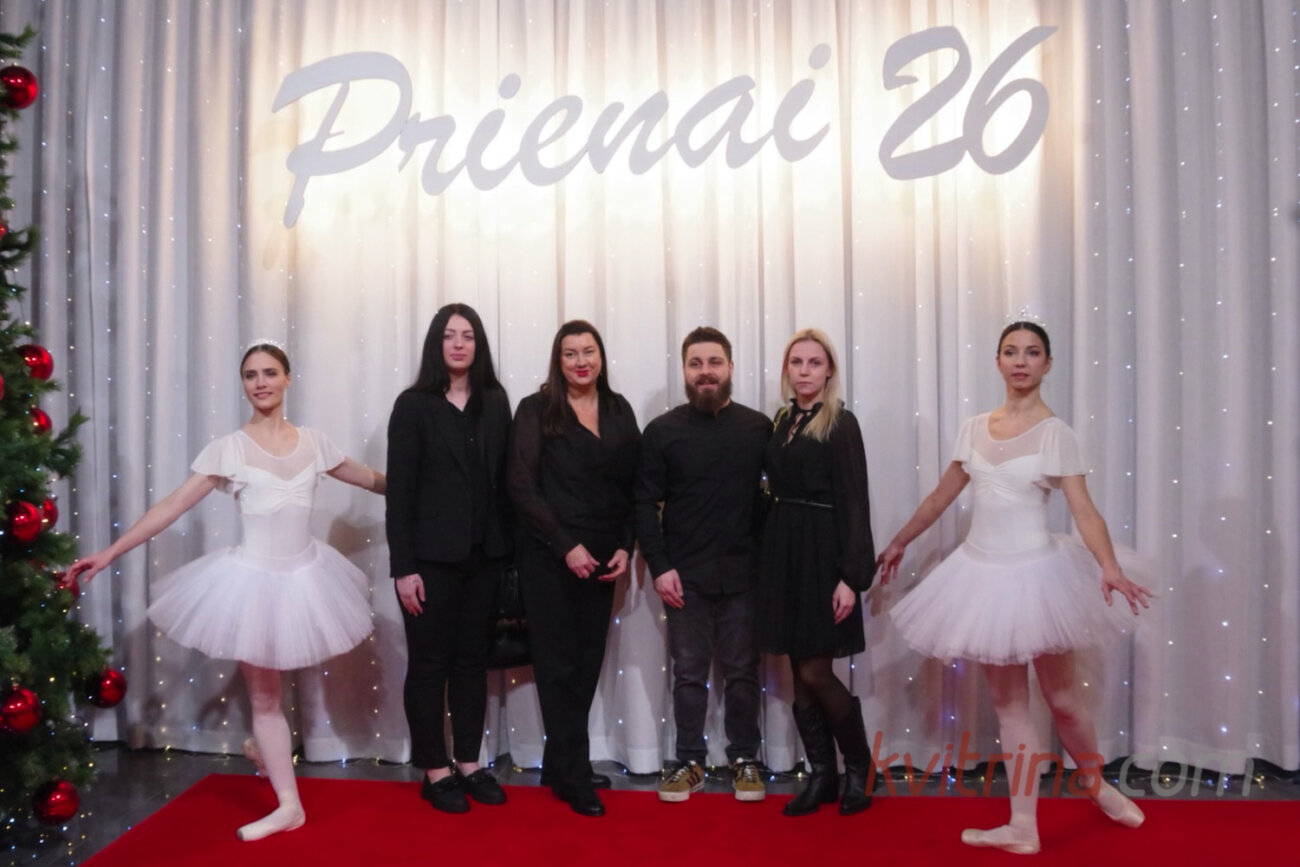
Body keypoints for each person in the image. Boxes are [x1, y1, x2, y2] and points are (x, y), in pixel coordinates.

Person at [67, 341, 385, 842]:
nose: (260, 382)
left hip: (306, 578)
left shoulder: (315, 443)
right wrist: (110, 552)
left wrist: (432, 487)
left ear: (287, 378)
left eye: (270, 372)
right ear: (243, 384)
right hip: (252, 584)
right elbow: (171, 505)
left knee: (274, 694)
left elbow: (371, 480)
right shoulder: (229, 449)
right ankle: (289, 806)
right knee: (265, 695)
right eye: (251, 375)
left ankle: (265, 754)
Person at [878, 320, 1154, 855]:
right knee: (1008, 704)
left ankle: (1094, 783)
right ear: (998, 361)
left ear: (1047, 364)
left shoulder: (1056, 434)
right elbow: (939, 498)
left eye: (1031, 353)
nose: (1020, 361)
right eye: (1011, 351)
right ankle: (1023, 827)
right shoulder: (973, 428)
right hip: (982, 577)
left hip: (1039, 578)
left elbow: (1084, 510)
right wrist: (899, 542)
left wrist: (1108, 566)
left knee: (1063, 699)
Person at [507, 320, 640, 817]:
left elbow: (635, 484)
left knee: (586, 665)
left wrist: (626, 545)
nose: (581, 361)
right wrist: (566, 546)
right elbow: (521, 486)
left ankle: (562, 765)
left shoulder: (619, 409)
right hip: (550, 557)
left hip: (604, 559)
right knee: (557, 666)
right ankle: (574, 773)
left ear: (601, 357)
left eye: (588, 351)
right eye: (570, 353)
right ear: (557, 360)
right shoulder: (536, 409)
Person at [386, 303, 513, 814]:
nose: (458, 344)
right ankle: (434, 769)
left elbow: (506, 482)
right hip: (429, 562)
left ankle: (468, 762)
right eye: (449, 335)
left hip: (486, 558)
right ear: (435, 344)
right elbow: (400, 494)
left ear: (478, 345)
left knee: (471, 665)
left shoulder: (495, 401)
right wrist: (403, 567)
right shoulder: (413, 405)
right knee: (429, 665)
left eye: (468, 335)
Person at [636, 327, 771, 803]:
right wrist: (660, 567)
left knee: (742, 672)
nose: (705, 372)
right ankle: (689, 760)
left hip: (745, 575)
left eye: (714, 362)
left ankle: (744, 758)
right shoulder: (662, 432)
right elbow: (643, 503)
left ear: (730, 367)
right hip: (683, 577)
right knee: (689, 674)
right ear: (684, 371)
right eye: (696, 363)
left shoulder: (760, 429)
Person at [757, 328, 876, 817]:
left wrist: (851, 576)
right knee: (798, 672)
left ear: (829, 371)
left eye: (814, 362)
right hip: (783, 552)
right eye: (796, 362)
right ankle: (822, 774)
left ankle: (859, 768)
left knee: (815, 670)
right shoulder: (782, 420)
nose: (804, 371)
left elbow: (855, 502)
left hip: (823, 555)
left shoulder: (841, 423)